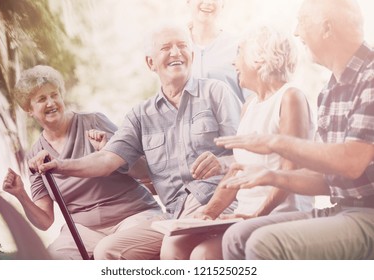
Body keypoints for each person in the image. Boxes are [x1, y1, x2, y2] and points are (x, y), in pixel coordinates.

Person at [29, 24, 242, 259]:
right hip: (174, 217)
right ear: (151, 63)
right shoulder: (141, 114)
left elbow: (244, 155)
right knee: (108, 251)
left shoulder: (215, 92)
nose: (175, 52)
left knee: (187, 252)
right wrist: (60, 165)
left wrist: (221, 164)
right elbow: (106, 159)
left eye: (182, 46)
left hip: (219, 203)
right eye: (166, 48)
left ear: (191, 56)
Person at [215, 0, 374, 259]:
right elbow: (326, 180)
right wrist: (271, 176)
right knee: (237, 236)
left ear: (326, 28)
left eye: (301, 21)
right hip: (343, 208)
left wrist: (275, 143)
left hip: (369, 214)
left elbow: (352, 162)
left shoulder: (371, 76)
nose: (297, 32)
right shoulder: (330, 90)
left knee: (263, 244)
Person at [159, 23, 314, 260]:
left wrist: (255, 216)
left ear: (259, 58)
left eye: (239, 52)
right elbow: (235, 172)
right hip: (247, 215)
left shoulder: (290, 97)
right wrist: (208, 214)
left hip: (281, 214)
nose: (234, 63)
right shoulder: (249, 106)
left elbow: (288, 171)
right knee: (174, 245)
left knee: (204, 256)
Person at [2, 65, 162, 259]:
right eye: (42, 99)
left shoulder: (93, 122)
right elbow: (45, 221)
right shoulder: (35, 155)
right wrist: (20, 194)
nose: (51, 102)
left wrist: (108, 150)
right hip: (85, 232)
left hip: (132, 217)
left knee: (108, 251)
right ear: (29, 109)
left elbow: (144, 171)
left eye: (54, 95)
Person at [187, 0, 246, 103]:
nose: (208, 2)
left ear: (223, 3)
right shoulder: (175, 47)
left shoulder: (238, 46)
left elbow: (252, 98)